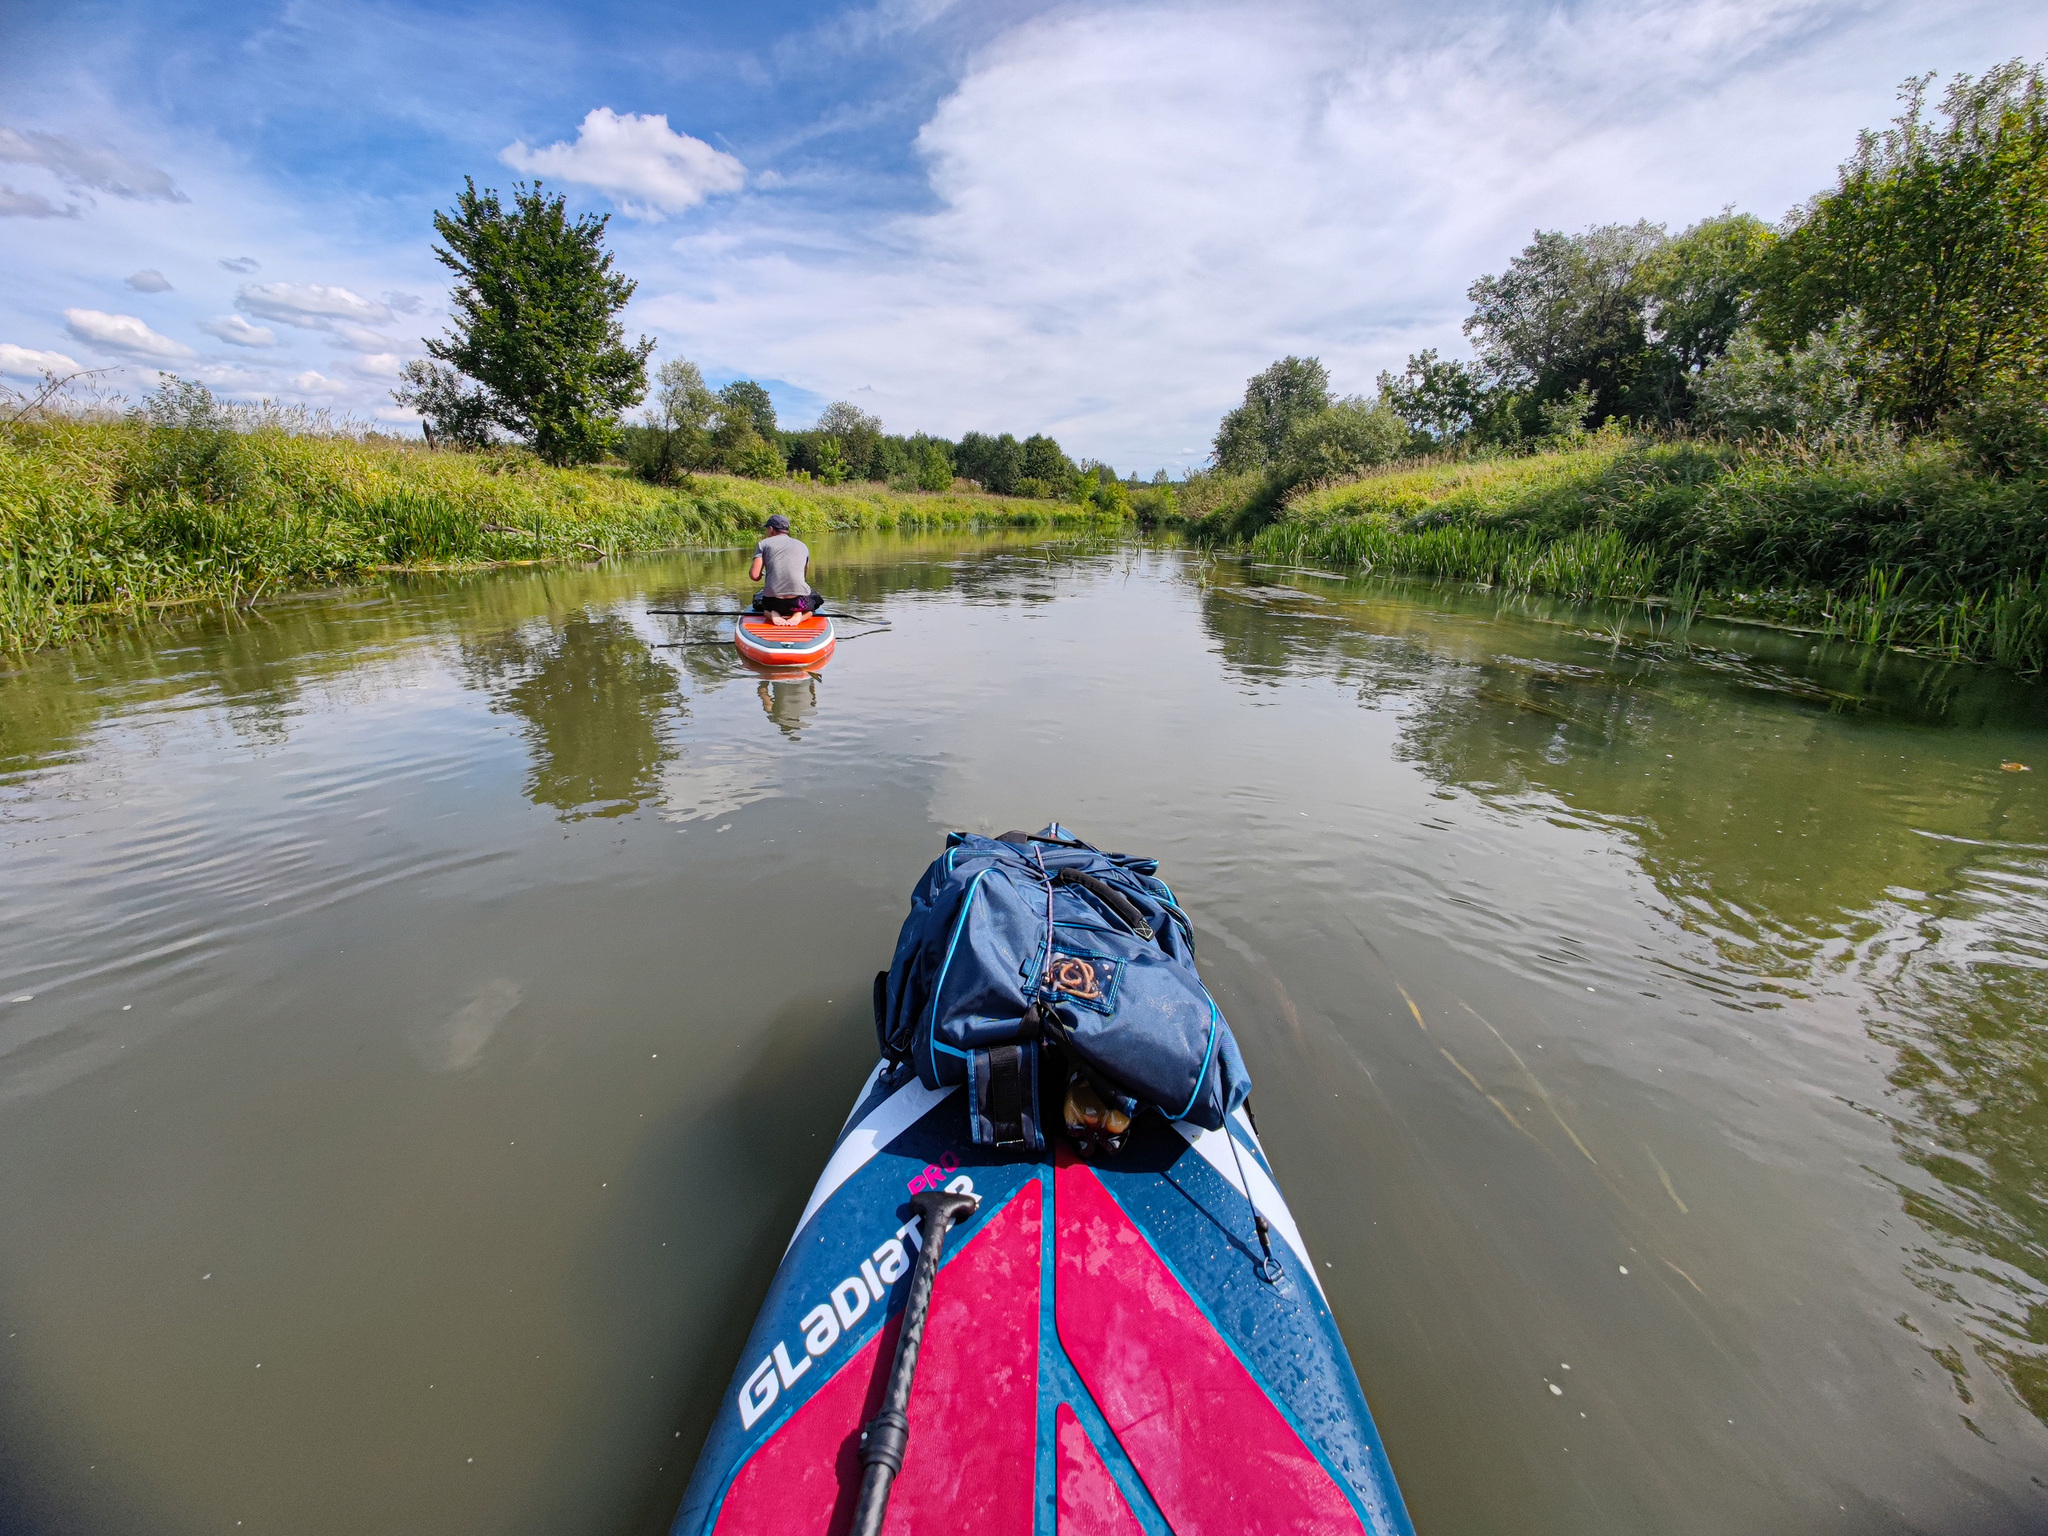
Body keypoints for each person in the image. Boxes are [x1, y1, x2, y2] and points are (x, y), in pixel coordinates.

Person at [749, 514, 819, 626]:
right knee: (814, 604)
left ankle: (771, 614)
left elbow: (754, 576)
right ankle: (799, 616)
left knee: (761, 605)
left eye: (767, 529)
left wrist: (763, 574)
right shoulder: (802, 545)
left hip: (774, 602)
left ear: (771, 529)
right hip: (798, 601)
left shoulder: (763, 544)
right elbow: (804, 575)